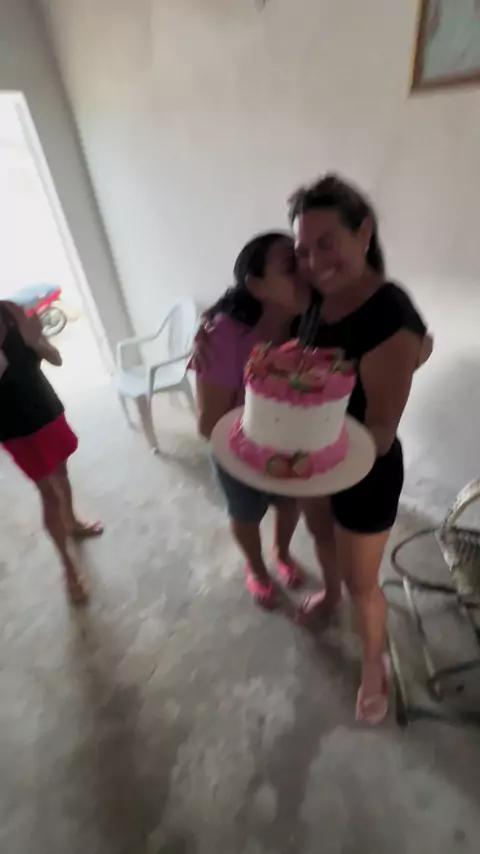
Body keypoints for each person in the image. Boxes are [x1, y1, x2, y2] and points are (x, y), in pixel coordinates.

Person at [289, 174, 431, 724]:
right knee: (322, 540)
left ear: (364, 232)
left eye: (326, 243)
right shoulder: (319, 301)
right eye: (303, 250)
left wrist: (306, 456)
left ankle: (375, 663)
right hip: (311, 462)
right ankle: (330, 594)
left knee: (363, 583)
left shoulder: (388, 314)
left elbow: (379, 432)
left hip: (364, 471)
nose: (313, 261)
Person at [192, 232, 311, 609]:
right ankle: (256, 568)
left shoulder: (310, 322)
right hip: (236, 451)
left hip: (290, 445)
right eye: (290, 266)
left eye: (304, 260)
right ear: (257, 286)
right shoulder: (226, 334)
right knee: (245, 514)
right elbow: (208, 424)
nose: (306, 271)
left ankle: (282, 552)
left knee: (290, 504)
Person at [0, 301, 103, 605]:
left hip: (47, 410)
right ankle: (68, 568)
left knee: (63, 475)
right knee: (49, 494)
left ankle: (73, 522)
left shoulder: (12, 313)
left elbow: (56, 359)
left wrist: (34, 342)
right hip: (16, 430)